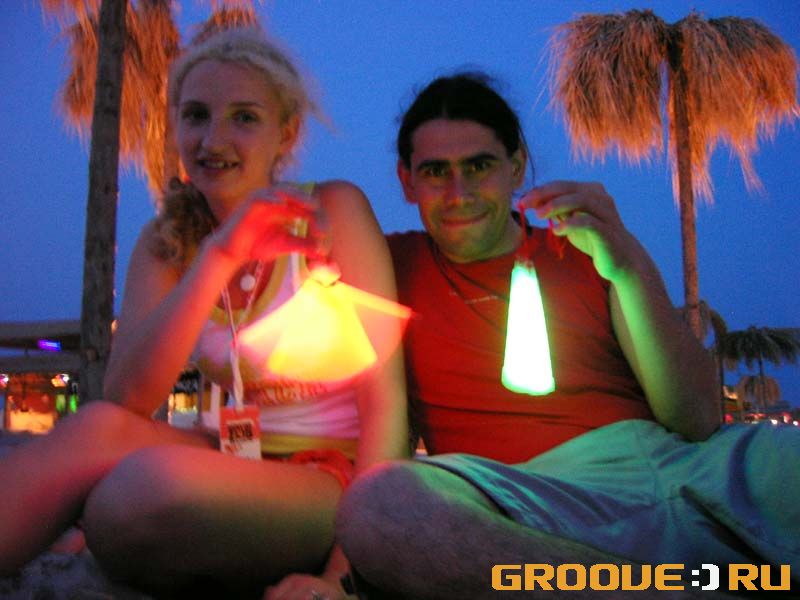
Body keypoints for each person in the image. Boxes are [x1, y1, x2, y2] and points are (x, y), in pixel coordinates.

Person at [336, 73, 800, 598]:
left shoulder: (585, 248)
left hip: (668, 462)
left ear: (516, 166)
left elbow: (695, 418)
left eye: (479, 166)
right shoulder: (386, 266)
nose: (459, 193)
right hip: (521, 496)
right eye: (436, 172)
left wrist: (627, 263)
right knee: (380, 508)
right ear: (406, 181)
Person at [0, 24, 407, 599]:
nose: (214, 139)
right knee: (94, 431)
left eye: (244, 117)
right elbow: (126, 400)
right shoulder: (167, 241)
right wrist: (218, 256)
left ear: (286, 132)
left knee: (135, 495)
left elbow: (386, 404)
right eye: (196, 115)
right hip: (220, 456)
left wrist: (341, 574)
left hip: (325, 477)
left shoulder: (332, 211)